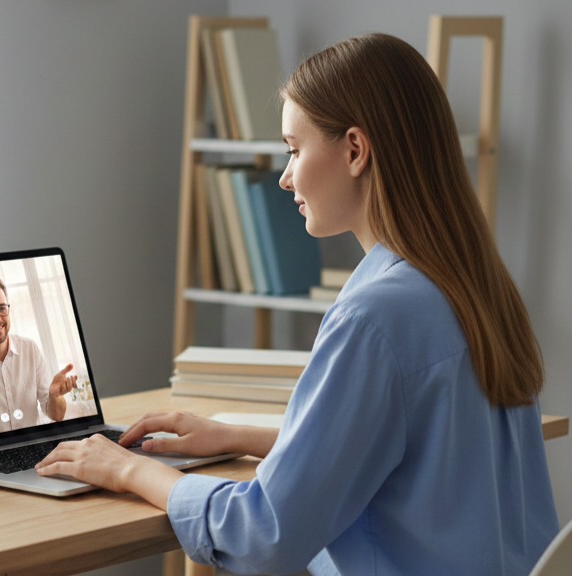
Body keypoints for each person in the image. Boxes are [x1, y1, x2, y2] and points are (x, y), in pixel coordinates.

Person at [35, 33, 560, 575]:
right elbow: (407, 453)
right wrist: (237, 436)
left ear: (355, 150)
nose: (285, 178)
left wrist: (127, 470)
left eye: (294, 149)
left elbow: (264, 535)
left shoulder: (375, 318)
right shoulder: (480, 287)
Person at [0, 271, 78, 440]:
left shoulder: (30, 349)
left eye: (2, 308)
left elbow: (57, 415)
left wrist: (55, 396)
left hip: (36, 447)